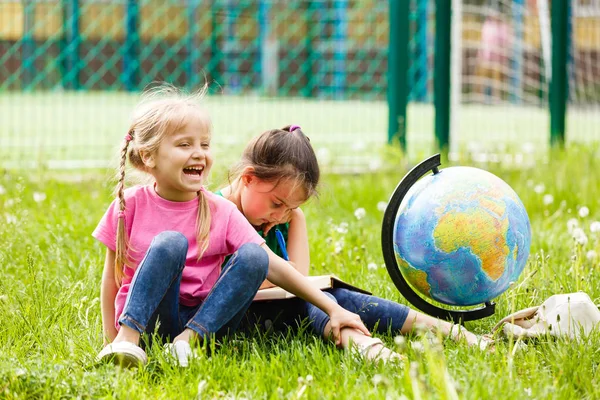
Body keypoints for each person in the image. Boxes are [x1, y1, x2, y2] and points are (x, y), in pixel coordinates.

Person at [93, 86, 370, 368]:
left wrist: (333, 308)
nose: (199, 154)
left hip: (204, 329)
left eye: (204, 144)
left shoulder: (220, 211)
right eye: (185, 145)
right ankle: (129, 340)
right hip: (152, 322)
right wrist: (111, 339)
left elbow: (275, 265)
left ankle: (186, 343)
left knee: (255, 255)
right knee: (170, 242)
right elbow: (111, 278)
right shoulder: (128, 205)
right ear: (149, 156)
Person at [219, 125, 493, 362]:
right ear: (248, 178)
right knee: (315, 301)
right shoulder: (216, 211)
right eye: (277, 204)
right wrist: (276, 274)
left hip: (283, 306)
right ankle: (366, 347)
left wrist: (280, 275)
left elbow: (298, 279)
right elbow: (217, 284)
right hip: (237, 318)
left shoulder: (291, 219)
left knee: (335, 298)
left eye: (290, 209)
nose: (280, 216)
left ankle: (446, 330)